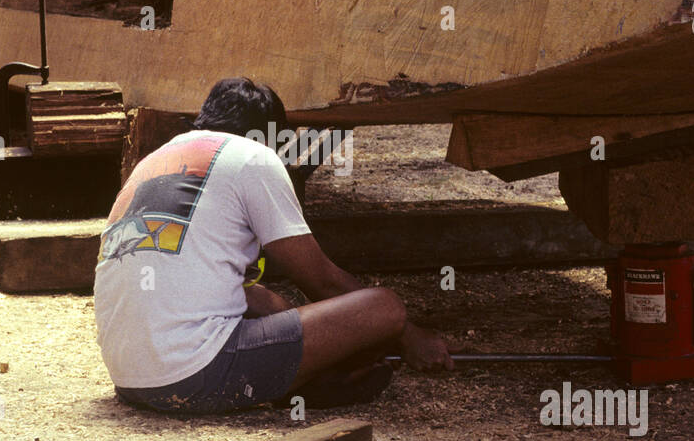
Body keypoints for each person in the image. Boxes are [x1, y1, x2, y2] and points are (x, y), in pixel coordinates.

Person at [94, 77, 453, 414]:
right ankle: (298, 382)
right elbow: (320, 280)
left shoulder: (154, 162)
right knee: (384, 308)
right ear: (268, 135)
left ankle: (305, 381)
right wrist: (407, 334)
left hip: (130, 380)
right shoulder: (252, 157)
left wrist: (296, 323)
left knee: (264, 300)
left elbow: (229, 287)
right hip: (193, 376)